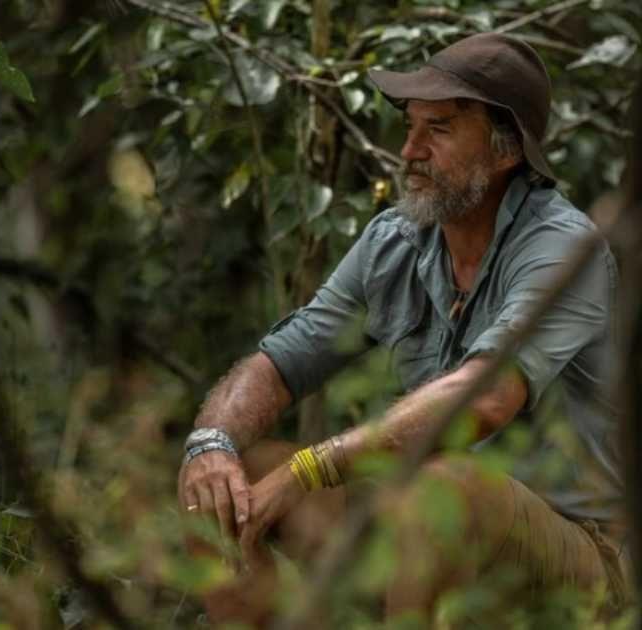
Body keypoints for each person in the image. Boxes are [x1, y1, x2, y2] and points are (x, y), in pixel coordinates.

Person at [179, 32, 633, 624]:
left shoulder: (562, 247)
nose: (410, 150)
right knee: (226, 484)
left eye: (439, 129)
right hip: (418, 526)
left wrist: (314, 465)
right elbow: (282, 361)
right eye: (410, 127)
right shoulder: (393, 240)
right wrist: (210, 445)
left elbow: (487, 397)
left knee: (447, 486)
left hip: (577, 554)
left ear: (505, 152)